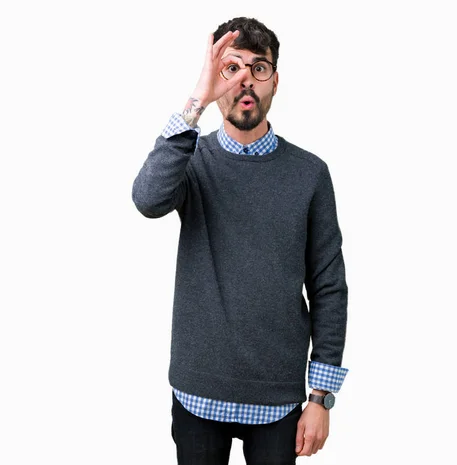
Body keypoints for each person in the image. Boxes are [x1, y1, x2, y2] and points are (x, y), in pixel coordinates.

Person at [132, 16, 349, 465]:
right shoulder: (190, 161)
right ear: (216, 79)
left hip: (278, 399)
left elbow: (329, 286)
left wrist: (321, 398)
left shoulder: (310, 174)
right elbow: (147, 199)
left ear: (275, 82)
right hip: (198, 391)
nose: (246, 80)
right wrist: (196, 100)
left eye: (259, 67)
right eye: (231, 68)